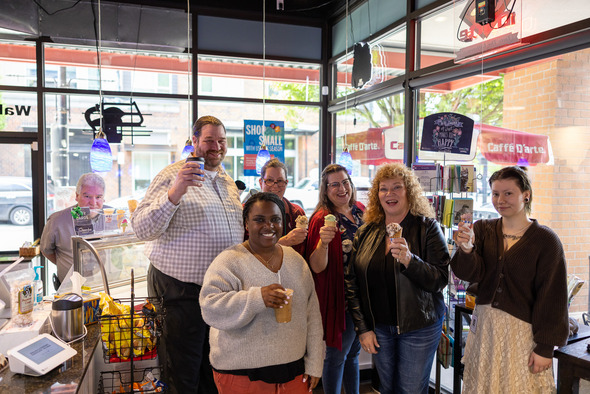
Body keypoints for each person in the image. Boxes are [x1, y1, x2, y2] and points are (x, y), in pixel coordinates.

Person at [132, 115, 243, 394]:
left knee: (213, 367)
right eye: (208, 140)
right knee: (182, 371)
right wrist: (176, 190)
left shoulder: (228, 182)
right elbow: (142, 227)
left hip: (218, 294)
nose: (216, 146)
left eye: (221, 141)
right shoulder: (172, 175)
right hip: (179, 291)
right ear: (194, 141)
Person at [451, 166, 568, 393]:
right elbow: (470, 274)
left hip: (522, 334)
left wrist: (545, 348)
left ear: (526, 194)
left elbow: (553, 296)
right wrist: (466, 250)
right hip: (485, 328)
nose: (500, 200)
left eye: (508, 193)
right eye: (495, 193)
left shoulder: (546, 241)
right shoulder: (483, 229)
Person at [200, 192, 324, 393]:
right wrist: (257, 298)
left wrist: (315, 362)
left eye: (275, 219)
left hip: (294, 371)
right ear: (247, 224)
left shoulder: (296, 261)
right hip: (241, 375)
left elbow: (313, 315)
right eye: (259, 220)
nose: (269, 226)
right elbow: (210, 308)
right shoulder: (228, 261)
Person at [344, 163, 449, 394]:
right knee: (386, 388)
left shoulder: (427, 228)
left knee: (410, 389)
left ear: (408, 192)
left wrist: (411, 261)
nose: (389, 194)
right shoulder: (366, 231)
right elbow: (352, 282)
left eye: (396, 187)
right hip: (380, 327)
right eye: (383, 189)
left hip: (419, 327)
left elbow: (440, 279)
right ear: (377, 195)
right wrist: (363, 328)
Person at [306, 164, 365, 394]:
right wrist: (324, 243)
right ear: (325, 189)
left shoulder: (361, 211)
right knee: (336, 356)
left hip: (363, 299)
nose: (341, 189)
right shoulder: (322, 219)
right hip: (341, 301)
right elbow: (316, 267)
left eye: (345, 182)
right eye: (334, 185)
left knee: (352, 354)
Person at [41, 172, 106, 286]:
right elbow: (46, 250)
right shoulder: (57, 220)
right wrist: (66, 267)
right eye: (87, 196)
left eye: (98, 197)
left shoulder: (112, 217)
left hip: (104, 285)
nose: (93, 203)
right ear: (77, 196)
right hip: (69, 287)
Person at [257, 158, 307, 256]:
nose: (275, 186)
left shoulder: (297, 213)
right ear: (260, 182)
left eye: (280, 181)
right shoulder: (248, 213)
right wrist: (285, 241)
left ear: (286, 183)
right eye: (270, 180)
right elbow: (246, 253)